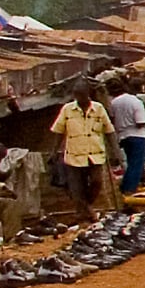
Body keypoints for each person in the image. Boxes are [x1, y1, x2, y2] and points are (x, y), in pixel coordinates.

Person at [53, 85, 113, 217]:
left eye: (81, 95)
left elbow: (109, 131)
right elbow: (59, 131)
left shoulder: (98, 109)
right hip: (74, 154)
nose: (78, 98)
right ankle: (85, 212)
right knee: (76, 187)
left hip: (95, 154)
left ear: (88, 95)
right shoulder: (67, 110)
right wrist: (54, 152)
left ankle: (87, 207)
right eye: (76, 95)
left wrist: (116, 152)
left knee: (97, 182)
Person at [107, 75, 145, 197]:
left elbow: (112, 120)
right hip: (137, 136)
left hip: (122, 136)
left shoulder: (113, 103)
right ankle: (129, 189)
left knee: (129, 163)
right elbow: (140, 122)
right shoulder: (136, 101)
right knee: (136, 164)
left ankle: (125, 186)